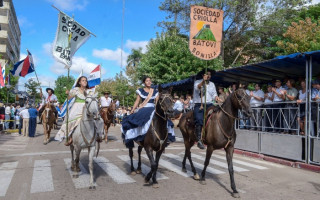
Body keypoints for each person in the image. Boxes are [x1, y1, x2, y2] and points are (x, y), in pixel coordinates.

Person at [55, 76, 98, 145]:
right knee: (70, 119)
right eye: (83, 80)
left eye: (86, 80)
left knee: (97, 118)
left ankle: (97, 135)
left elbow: (92, 99)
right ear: (79, 82)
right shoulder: (76, 90)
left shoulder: (89, 91)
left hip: (86, 106)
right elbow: (69, 98)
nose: (85, 82)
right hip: (77, 107)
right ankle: (69, 137)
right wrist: (68, 93)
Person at [121, 76, 159, 148]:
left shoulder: (155, 91)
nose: (149, 82)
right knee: (138, 121)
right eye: (147, 81)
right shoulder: (141, 91)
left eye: (150, 81)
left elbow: (157, 102)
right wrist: (132, 110)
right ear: (144, 82)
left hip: (153, 108)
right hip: (144, 108)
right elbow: (137, 101)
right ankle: (140, 136)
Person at [193, 69, 219, 149]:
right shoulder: (197, 82)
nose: (209, 76)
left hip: (210, 104)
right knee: (199, 119)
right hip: (199, 104)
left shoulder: (212, 84)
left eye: (210, 75)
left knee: (217, 116)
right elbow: (198, 88)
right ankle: (199, 139)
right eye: (207, 74)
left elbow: (214, 94)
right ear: (203, 75)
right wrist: (203, 81)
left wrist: (217, 98)